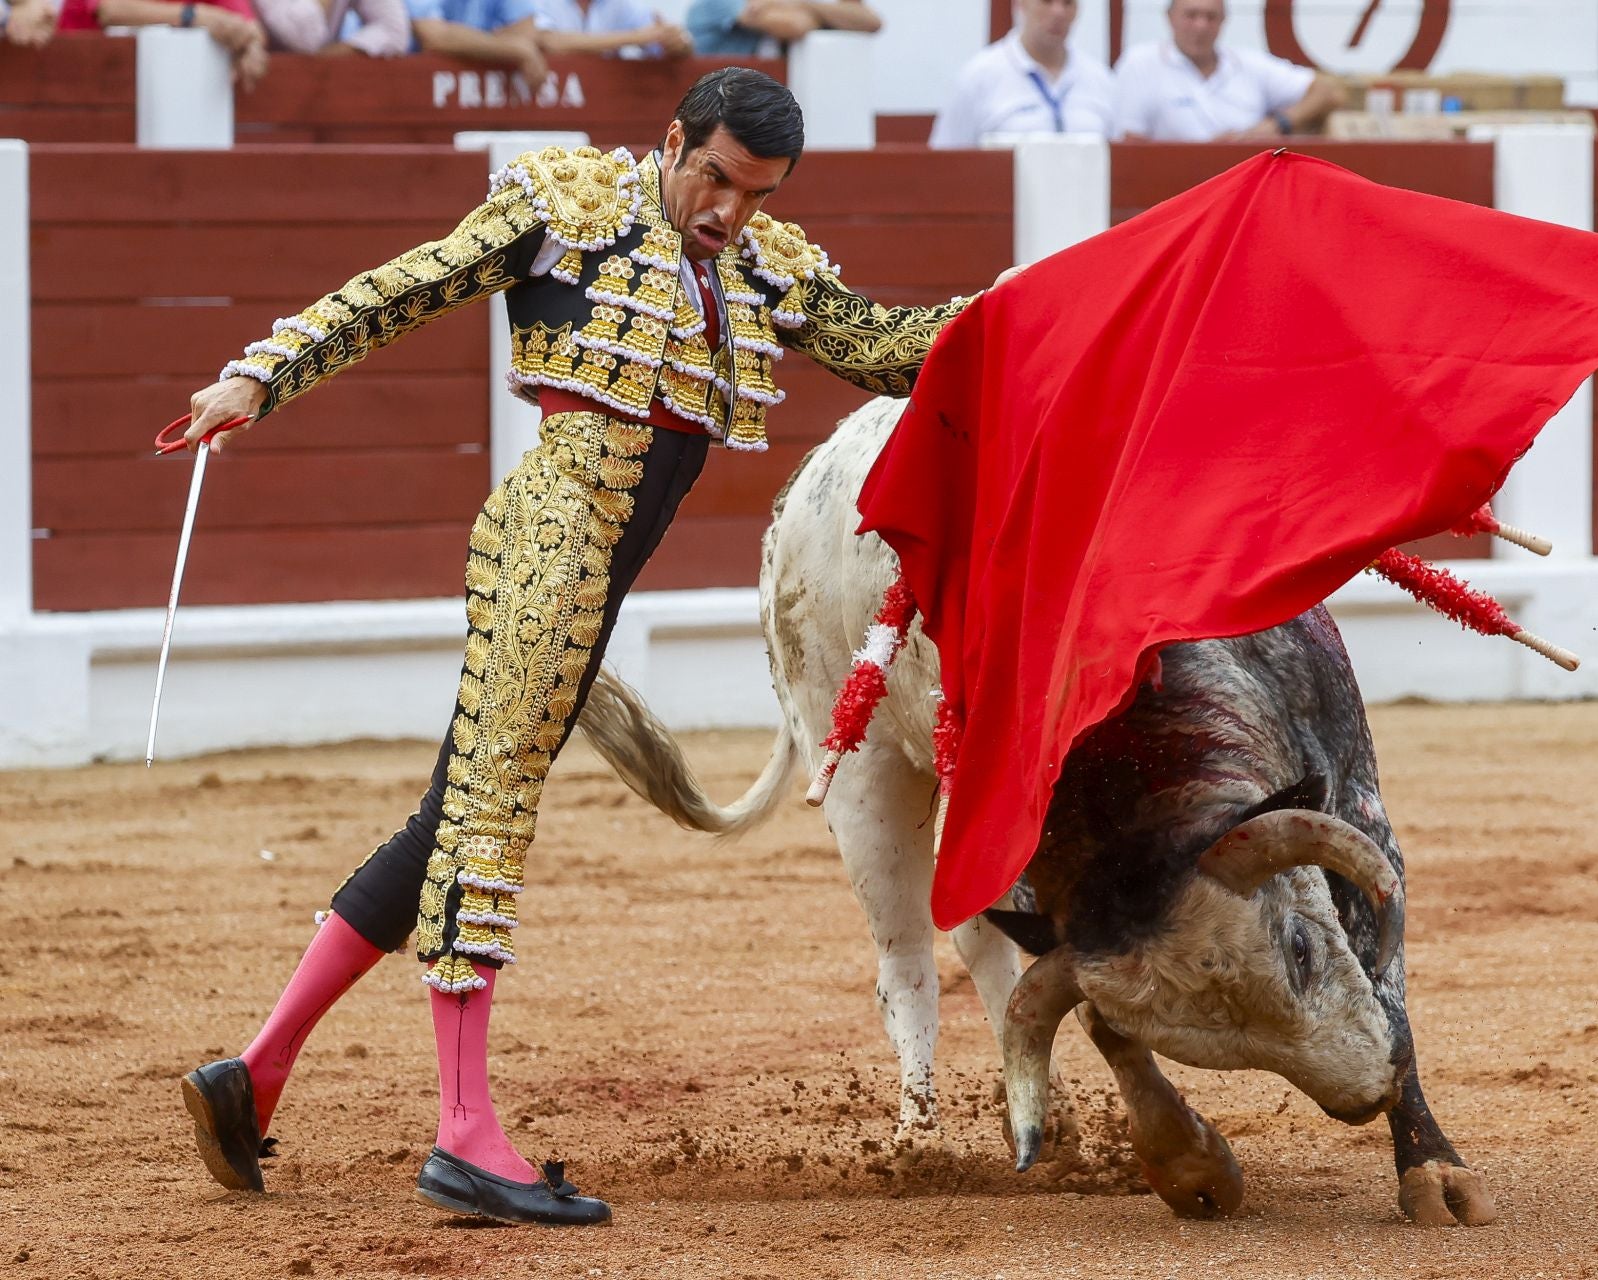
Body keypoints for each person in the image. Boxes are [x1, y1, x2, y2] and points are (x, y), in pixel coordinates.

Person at [176, 67, 996, 1227]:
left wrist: (1018, 308)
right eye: (717, 179)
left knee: (443, 820)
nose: (728, 212)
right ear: (674, 141)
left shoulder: (759, 264)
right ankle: (464, 1133)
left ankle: (254, 1070)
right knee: (489, 812)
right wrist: (261, 374)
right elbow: (404, 285)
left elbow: (884, 345)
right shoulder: (570, 206)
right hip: (551, 546)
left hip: (598, 574)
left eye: (756, 195)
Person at [1114, 0, 1342, 142]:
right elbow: (1129, 143)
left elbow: (1330, 92)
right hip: (1172, 189)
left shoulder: (1248, 64)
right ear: (1170, 18)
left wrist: (1278, 125)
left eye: (1210, 17)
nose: (1201, 26)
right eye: (1191, 15)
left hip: (1244, 186)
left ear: (1223, 20)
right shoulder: (1140, 63)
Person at [931, 0, 1116, 148]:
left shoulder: (1099, 78)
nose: (1058, 12)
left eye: (1068, 3)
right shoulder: (979, 77)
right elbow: (946, 161)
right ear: (1020, 4)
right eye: (1046, 1)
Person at [56, 0, 270, 88]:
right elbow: (108, 9)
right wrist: (193, 15)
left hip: (174, 103)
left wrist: (249, 44)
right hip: (81, 87)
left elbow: (249, 26)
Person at [409, 0, 548, 88]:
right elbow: (433, 36)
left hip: (478, 109)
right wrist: (510, 48)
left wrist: (468, 43)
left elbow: (525, 34)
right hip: (418, 97)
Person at [684, 0, 877, 58]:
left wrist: (803, 4)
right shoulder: (721, 2)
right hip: (714, 107)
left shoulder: (783, 5)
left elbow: (870, 21)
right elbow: (795, 25)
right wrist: (827, 14)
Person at [534, 0, 689, 60]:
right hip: (547, 103)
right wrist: (635, 37)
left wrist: (675, 42)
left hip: (604, 101)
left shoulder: (620, 4)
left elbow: (664, 41)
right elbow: (549, 41)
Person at [255, 0, 409, 55]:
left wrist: (339, 51)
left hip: (315, 92)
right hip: (257, 96)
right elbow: (304, 41)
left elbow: (395, 32)